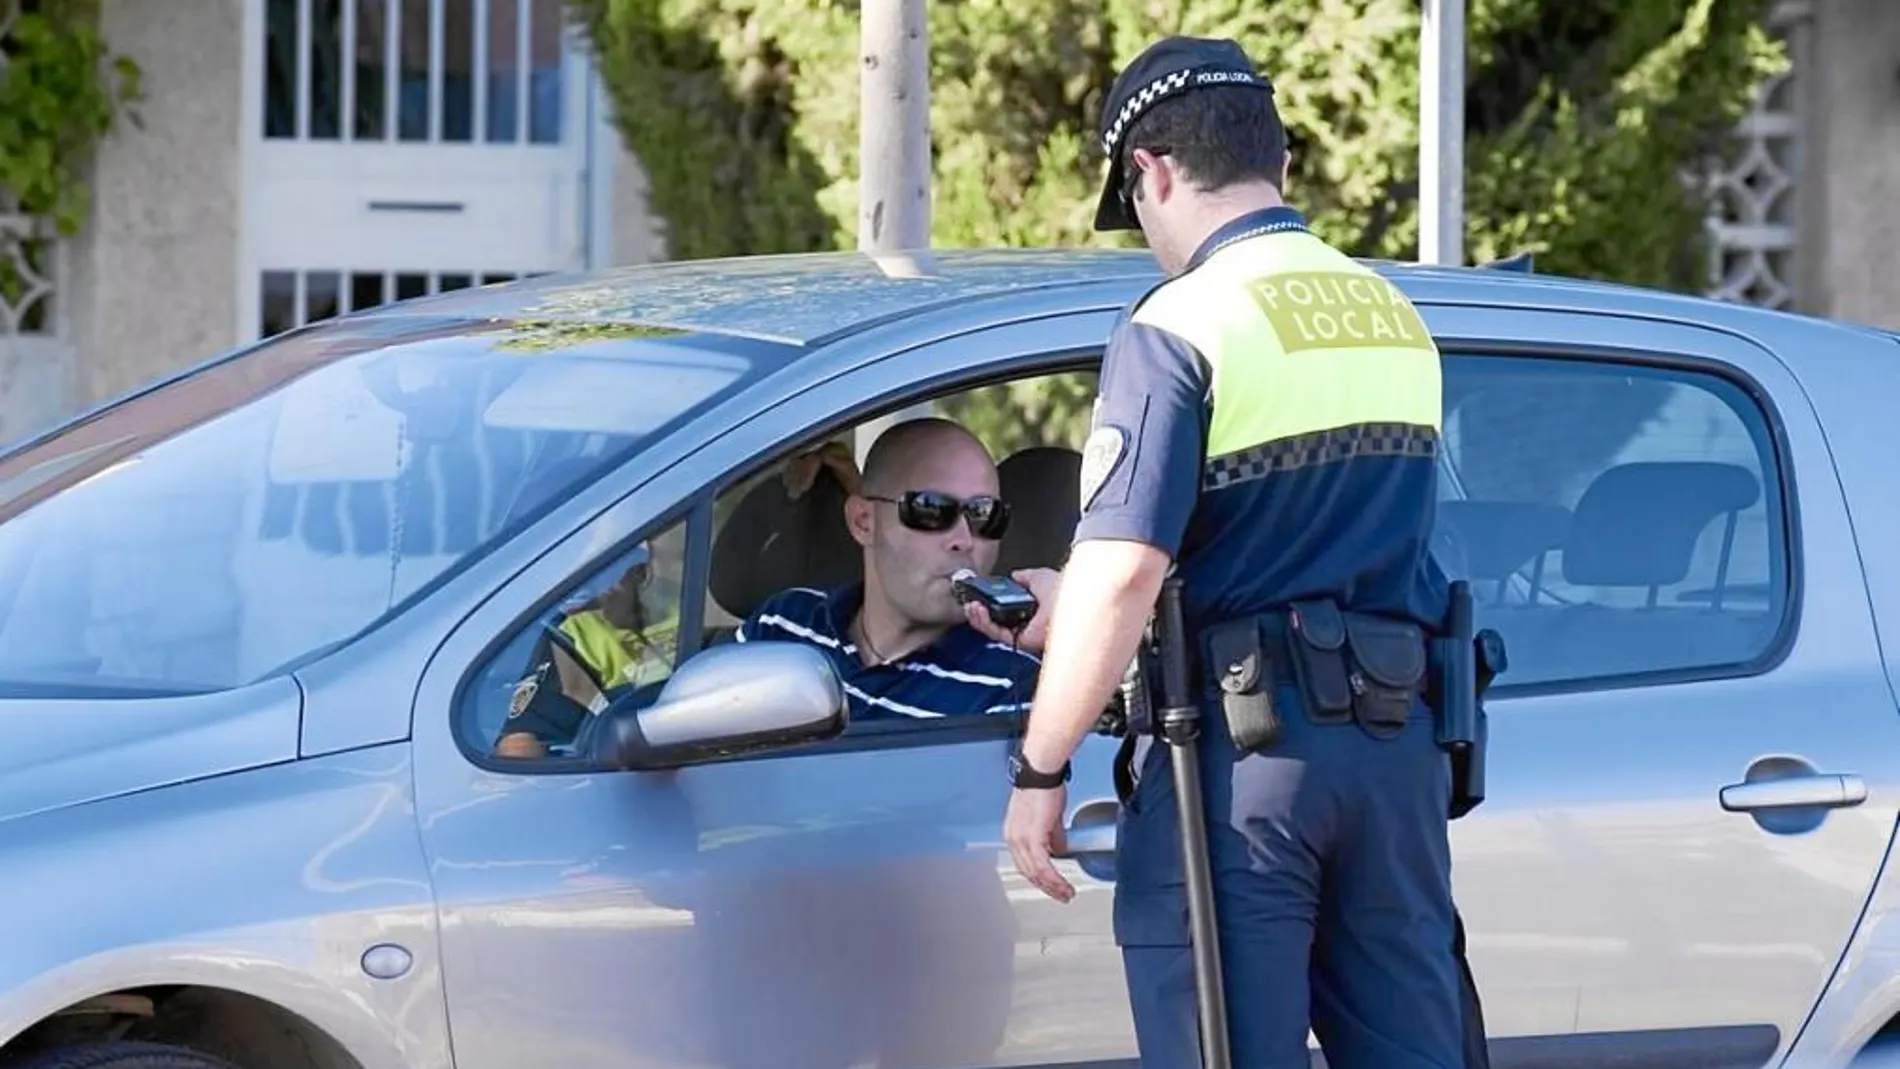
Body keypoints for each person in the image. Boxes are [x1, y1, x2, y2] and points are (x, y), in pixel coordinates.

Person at [998, 35, 1486, 1069]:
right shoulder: (1392, 315)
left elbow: (1123, 568)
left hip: (1244, 766)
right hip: (1395, 757)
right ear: (1283, 163)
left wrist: (1042, 764)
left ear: (1151, 171)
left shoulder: (1179, 323)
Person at [736, 418, 1055, 719]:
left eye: (984, 514)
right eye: (932, 510)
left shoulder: (1012, 685)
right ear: (863, 522)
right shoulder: (782, 625)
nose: (964, 539)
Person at [493, 542, 678, 759]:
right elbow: (520, 745)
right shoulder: (577, 632)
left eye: (596, 577)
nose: (587, 596)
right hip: (630, 771)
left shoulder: (699, 603)